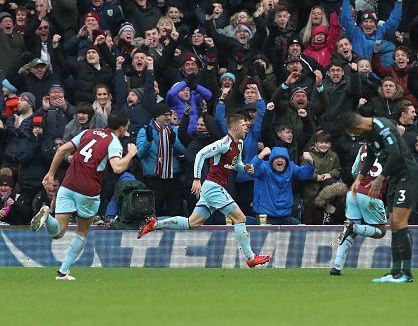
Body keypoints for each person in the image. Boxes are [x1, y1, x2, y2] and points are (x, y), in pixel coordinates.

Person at [137, 113, 272, 268]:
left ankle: (155, 224)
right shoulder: (223, 143)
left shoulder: (239, 144)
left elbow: (237, 164)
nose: (246, 127)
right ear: (235, 127)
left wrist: (245, 167)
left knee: (192, 223)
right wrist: (196, 179)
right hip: (213, 187)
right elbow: (201, 154)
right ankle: (250, 257)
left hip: (215, 188)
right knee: (240, 218)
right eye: (243, 125)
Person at [30, 111, 138, 280]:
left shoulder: (88, 132)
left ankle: (46, 214)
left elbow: (61, 151)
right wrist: (131, 153)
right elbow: (117, 168)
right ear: (123, 127)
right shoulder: (114, 142)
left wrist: (51, 174)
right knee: (82, 232)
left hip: (67, 185)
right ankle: (63, 272)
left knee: (57, 232)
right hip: (88, 190)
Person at [343, 111, 418, 283]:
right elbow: (372, 155)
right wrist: (359, 178)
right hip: (395, 178)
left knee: (400, 222)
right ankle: (395, 272)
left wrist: (380, 178)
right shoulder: (369, 132)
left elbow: (395, 153)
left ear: (357, 127)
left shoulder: (383, 127)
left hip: (408, 176)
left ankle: (406, 273)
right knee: (394, 222)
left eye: (354, 133)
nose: (356, 136)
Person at [331, 142, 388, 276]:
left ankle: (336, 266)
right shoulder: (392, 149)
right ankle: (354, 227)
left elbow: (354, 170)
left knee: (349, 231)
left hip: (353, 192)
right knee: (381, 231)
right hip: (371, 195)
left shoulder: (364, 147)